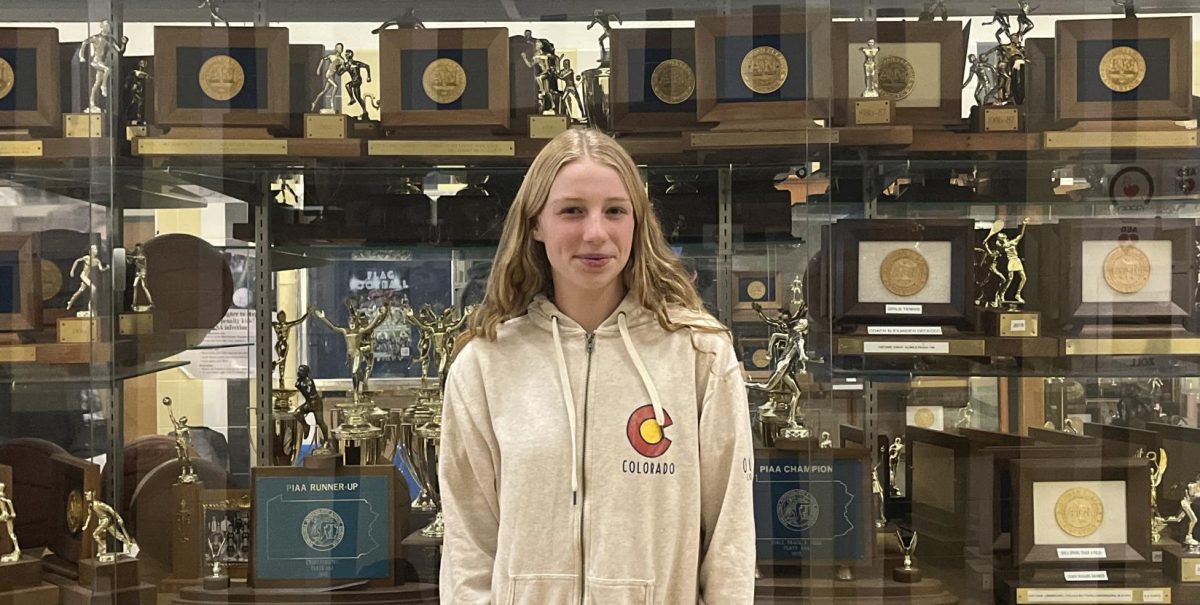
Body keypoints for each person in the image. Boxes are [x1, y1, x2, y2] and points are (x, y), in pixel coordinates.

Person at [438, 128, 755, 602]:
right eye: (571, 210)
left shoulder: (699, 356)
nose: (595, 233)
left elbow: (729, 537)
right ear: (536, 224)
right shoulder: (485, 364)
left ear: (637, 223)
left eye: (615, 211)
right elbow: (469, 546)